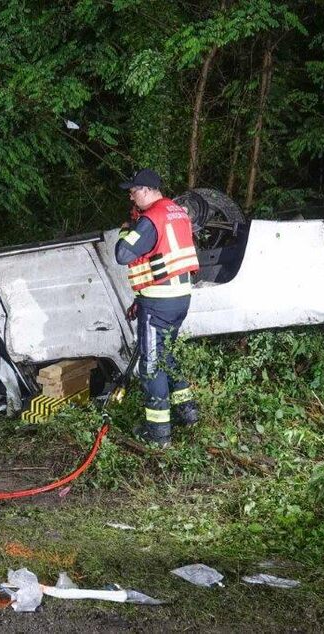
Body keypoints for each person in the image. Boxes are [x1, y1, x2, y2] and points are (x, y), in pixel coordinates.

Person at [115, 168, 201, 448]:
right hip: (178, 298)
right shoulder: (177, 212)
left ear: (150, 190)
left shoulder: (151, 218)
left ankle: (158, 432)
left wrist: (125, 231)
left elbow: (122, 254)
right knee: (164, 355)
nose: (131, 195)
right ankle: (188, 412)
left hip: (159, 302)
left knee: (151, 365)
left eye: (135, 190)